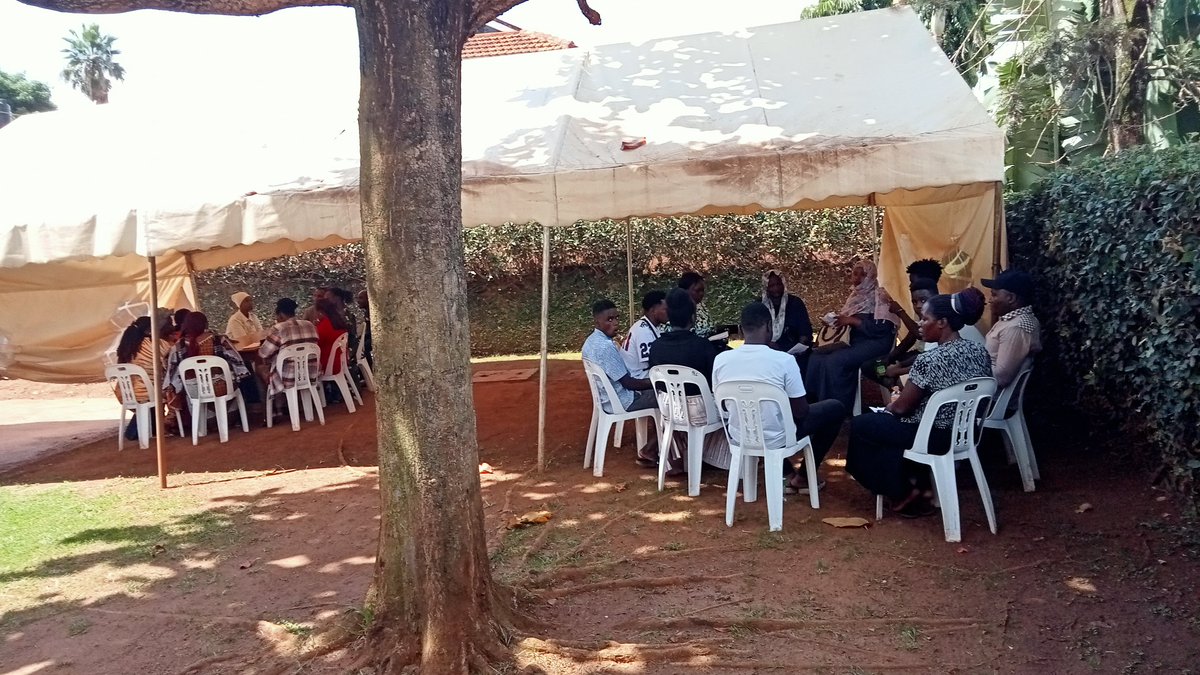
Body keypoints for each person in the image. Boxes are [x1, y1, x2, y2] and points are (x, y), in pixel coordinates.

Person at [846, 293, 992, 517]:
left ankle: (902, 491)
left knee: (861, 426)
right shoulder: (978, 351)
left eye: (925, 319)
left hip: (933, 435)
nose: (920, 324)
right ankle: (911, 486)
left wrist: (888, 409)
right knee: (886, 432)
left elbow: (902, 408)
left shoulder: (929, 360)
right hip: (966, 433)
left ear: (942, 323)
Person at [714, 302, 847, 492]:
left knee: (765, 416)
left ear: (742, 329)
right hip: (776, 436)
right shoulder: (784, 360)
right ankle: (804, 476)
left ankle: (787, 473)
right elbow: (801, 411)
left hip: (739, 434)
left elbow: (723, 405)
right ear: (769, 326)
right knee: (835, 408)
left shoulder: (721, 360)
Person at [648, 288, 729, 473]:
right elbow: (714, 384)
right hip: (702, 414)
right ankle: (725, 457)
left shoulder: (656, 347)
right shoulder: (703, 347)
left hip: (670, 411)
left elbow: (658, 385)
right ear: (693, 317)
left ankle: (688, 455)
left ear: (668, 315)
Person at [805, 260, 899, 414]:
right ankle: (815, 403)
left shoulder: (880, 296)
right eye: (855, 274)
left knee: (835, 361)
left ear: (871, 276)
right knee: (816, 357)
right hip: (855, 340)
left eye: (863, 275)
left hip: (876, 342)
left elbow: (882, 329)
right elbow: (846, 322)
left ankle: (838, 408)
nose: (858, 278)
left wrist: (853, 321)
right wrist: (834, 321)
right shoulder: (854, 296)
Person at [581, 299, 658, 464]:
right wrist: (658, 383)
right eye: (610, 320)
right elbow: (629, 383)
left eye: (616, 318)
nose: (615, 323)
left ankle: (660, 446)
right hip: (624, 400)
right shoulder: (605, 347)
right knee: (671, 398)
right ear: (597, 322)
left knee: (660, 395)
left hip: (607, 399)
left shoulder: (590, 342)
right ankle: (651, 450)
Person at [163, 312, 250, 428]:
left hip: (195, 392)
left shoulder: (178, 347)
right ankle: (237, 417)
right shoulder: (219, 340)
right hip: (222, 390)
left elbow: (171, 374)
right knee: (243, 379)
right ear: (205, 324)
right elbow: (238, 362)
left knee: (183, 387)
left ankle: (203, 423)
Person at [112, 316, 172, 439]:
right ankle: (163, 426)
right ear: (150, 330)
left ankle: (144, 428)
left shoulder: (126, 346)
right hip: (147, 393)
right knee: (170, 387)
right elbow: (170, 363)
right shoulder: (158, 344)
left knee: (153, 390)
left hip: (125, 394)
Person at [982, 269, 1042, 388]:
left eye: (994, 295)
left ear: (1011, 298)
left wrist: (970, 369)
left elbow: (1002, 378)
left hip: (990, 399)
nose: (990, 300)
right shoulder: (1014, 320)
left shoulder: (1016, 328)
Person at [258, 298, 320, 399]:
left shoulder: (279, 328)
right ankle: (297, 402)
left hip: (289, 377)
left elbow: (263, 353)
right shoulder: (310, 325)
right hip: (311, 373)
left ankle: (275, 407)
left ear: (280, 314)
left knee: (259, 367)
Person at [761, 270, 813, 369]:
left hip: (793, 351)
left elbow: (805, 330)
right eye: (771, 285)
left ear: (783, 284)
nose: (776, 288)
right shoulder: (760, 306)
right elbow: (756, 332)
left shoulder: (795, 303)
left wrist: (801, 345)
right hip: (767, 350)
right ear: (766, 288)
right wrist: (768, 344)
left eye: (778, 284)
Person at [620, 290, 668, 379]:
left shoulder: (647, 326)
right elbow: (654, 362)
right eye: (665, 309)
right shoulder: (643, 331)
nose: (669, 312)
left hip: (643, 377)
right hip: (640, 381)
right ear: (653, 310)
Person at [314, 297, 350, 375]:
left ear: (320, 312)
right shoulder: (338, 321)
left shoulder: (324, 325)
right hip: (341, 362)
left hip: (329, 365)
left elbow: (316, 344)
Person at [677, 272, 713, 338]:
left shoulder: (702, 307)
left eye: (703, 290)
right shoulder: (676, 309)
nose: (702, 293)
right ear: (684, 290)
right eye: (698, 290)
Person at [355, 290, 372, 368]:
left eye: (361, 298)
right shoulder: (367, 312)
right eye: (358, 298)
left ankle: (369, 369)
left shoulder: (371, 312)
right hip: (369, 336)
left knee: (363, 348)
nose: (358, 301)